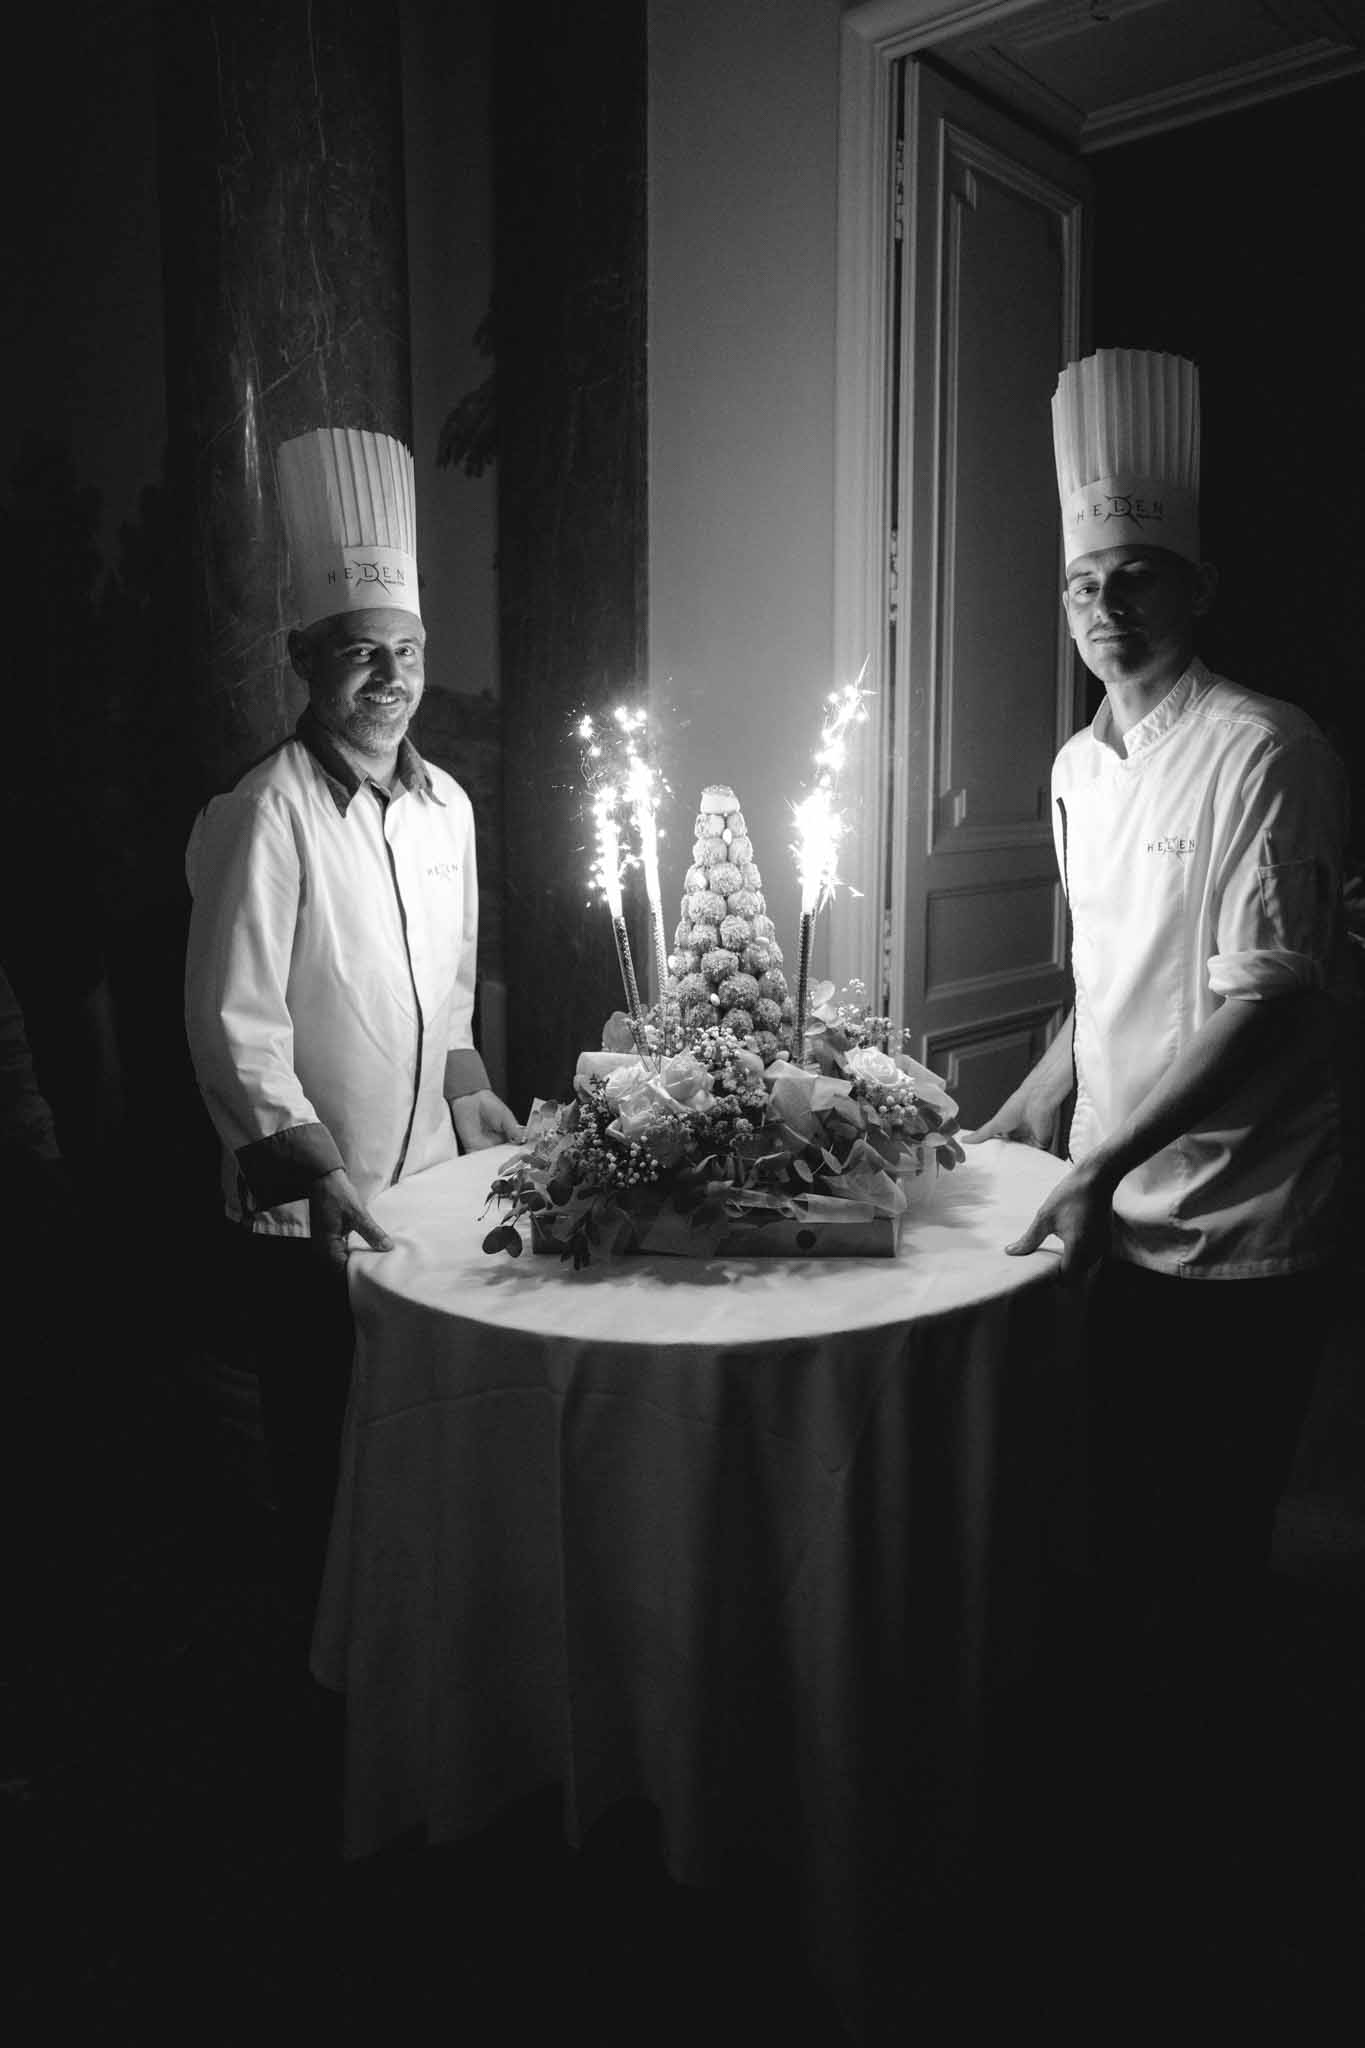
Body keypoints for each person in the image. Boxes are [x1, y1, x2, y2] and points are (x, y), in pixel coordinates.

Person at [966, 349, 1350, 1894]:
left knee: (1209, 1549)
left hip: (1246, 1225)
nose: (1105, 612)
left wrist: (1101, 1159)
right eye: (1082, 589)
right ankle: (1130, 1804)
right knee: (1118, 1521)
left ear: (1198, 584)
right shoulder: (1076, 766)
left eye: (1136, 580)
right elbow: (1095, 998)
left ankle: (1220, 1859)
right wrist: (1008, 1130)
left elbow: (1270, 1001)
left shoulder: (1271, 747)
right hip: (1114, 1211)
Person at [185, 427, 521, 1625]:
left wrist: (471, 1082)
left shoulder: (449, 807)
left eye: (408, 651)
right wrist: (314, 1171)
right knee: (324, 1446)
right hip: (308, 1206)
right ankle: (321, 1674)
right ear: (303, 660)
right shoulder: (261, 815)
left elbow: (454, 977)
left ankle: (417, 1646)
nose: (389, 674)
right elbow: (233, 1027)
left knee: (418, 1435)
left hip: (425, 1184)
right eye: (358, 652)